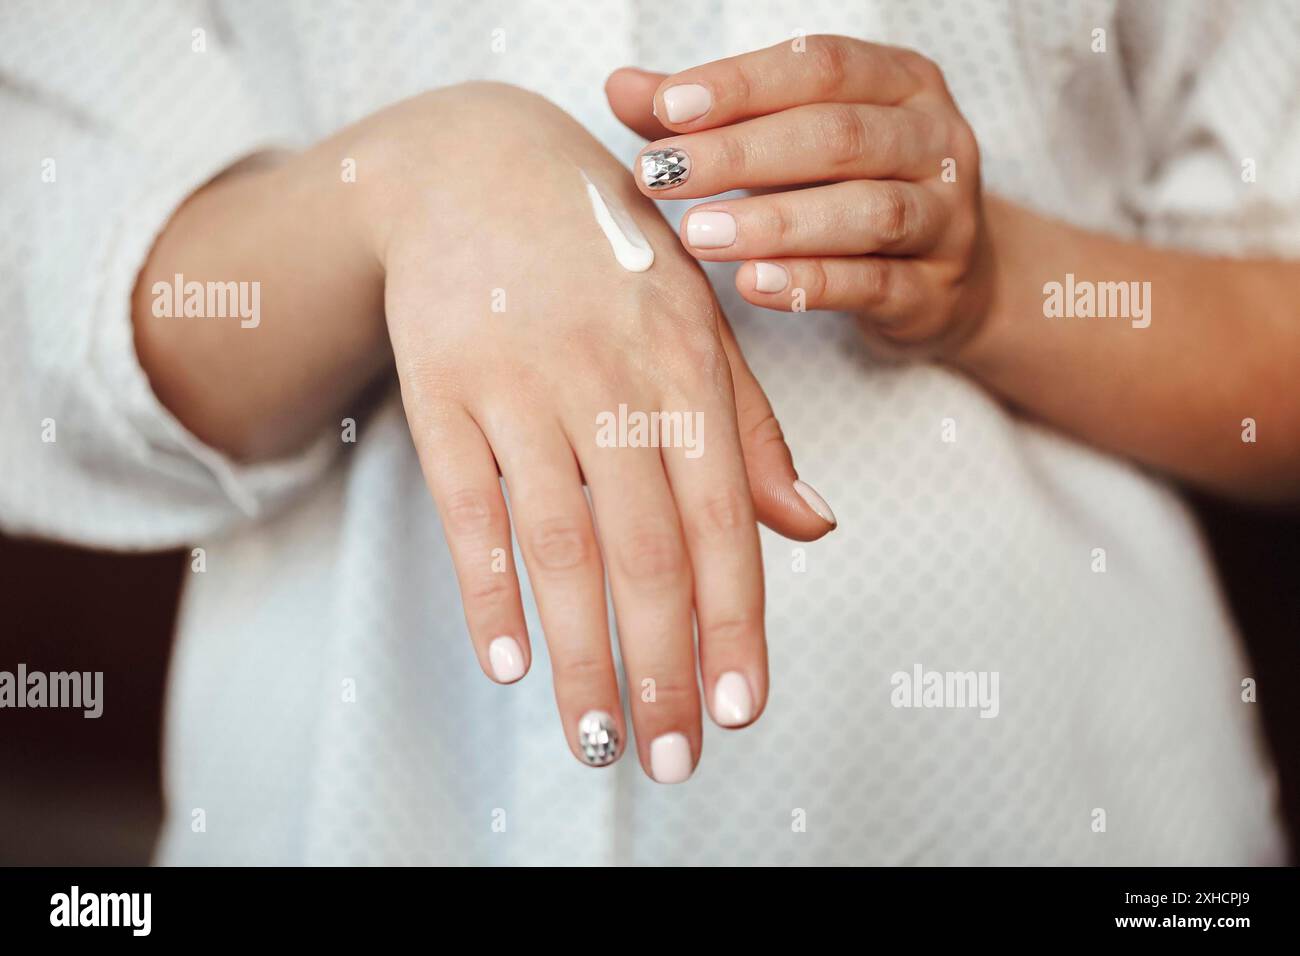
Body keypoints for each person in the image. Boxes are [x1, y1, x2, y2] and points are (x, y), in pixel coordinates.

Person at [2, 0, 1294, 864]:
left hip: (1055, 799)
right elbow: (64, 315)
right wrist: (398, 187)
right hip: (363, 804)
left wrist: (989, 280)